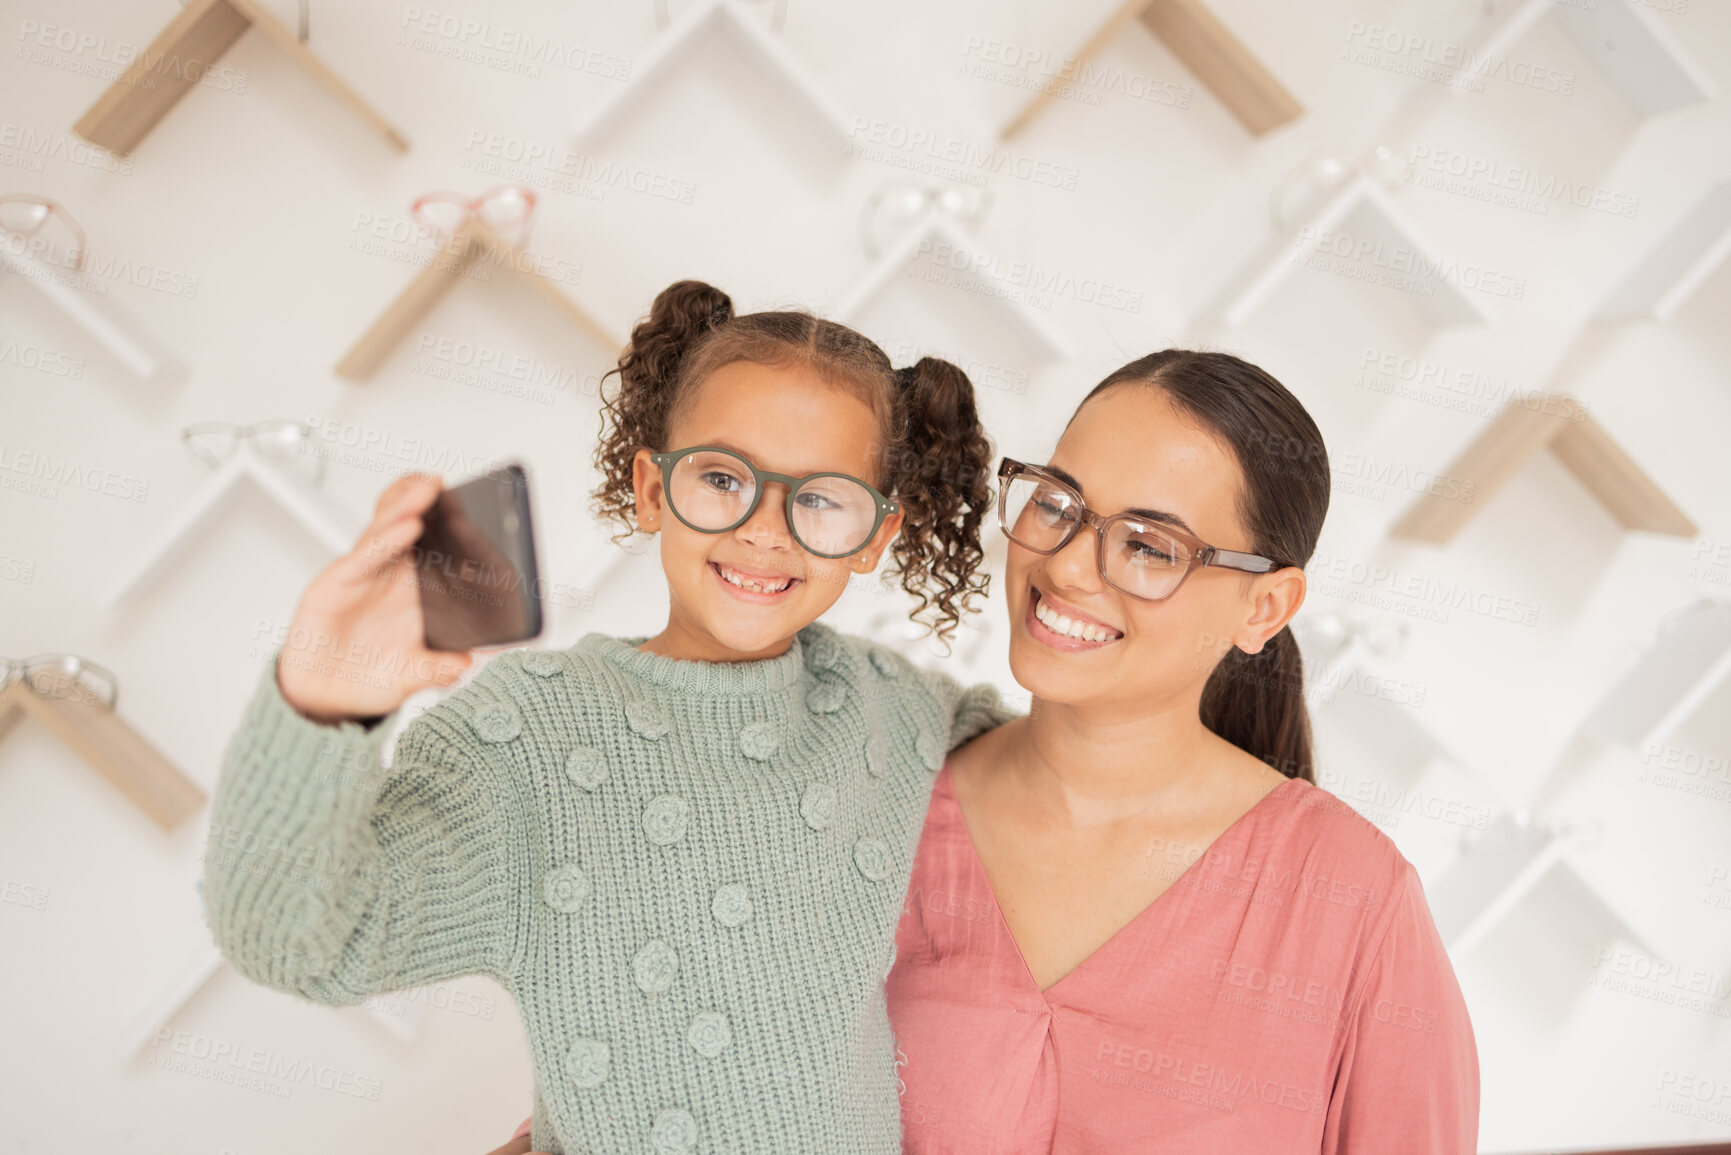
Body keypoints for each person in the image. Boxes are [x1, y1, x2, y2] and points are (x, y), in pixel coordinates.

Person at [198, 279, 1022, 1155]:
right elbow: (297, 943)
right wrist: (325, 703)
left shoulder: (895, 705)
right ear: (652, 487)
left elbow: (1067, 773)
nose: (764, 529)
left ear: (874, 535)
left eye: (819, 498)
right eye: (721, 478)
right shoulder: (529, 737)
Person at [887, 349, 1479, 1153]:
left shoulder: (1354, 900)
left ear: (1264, 606)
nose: (1063, 565)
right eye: (1058, 502)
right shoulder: (881, 813)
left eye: (1149, 547)